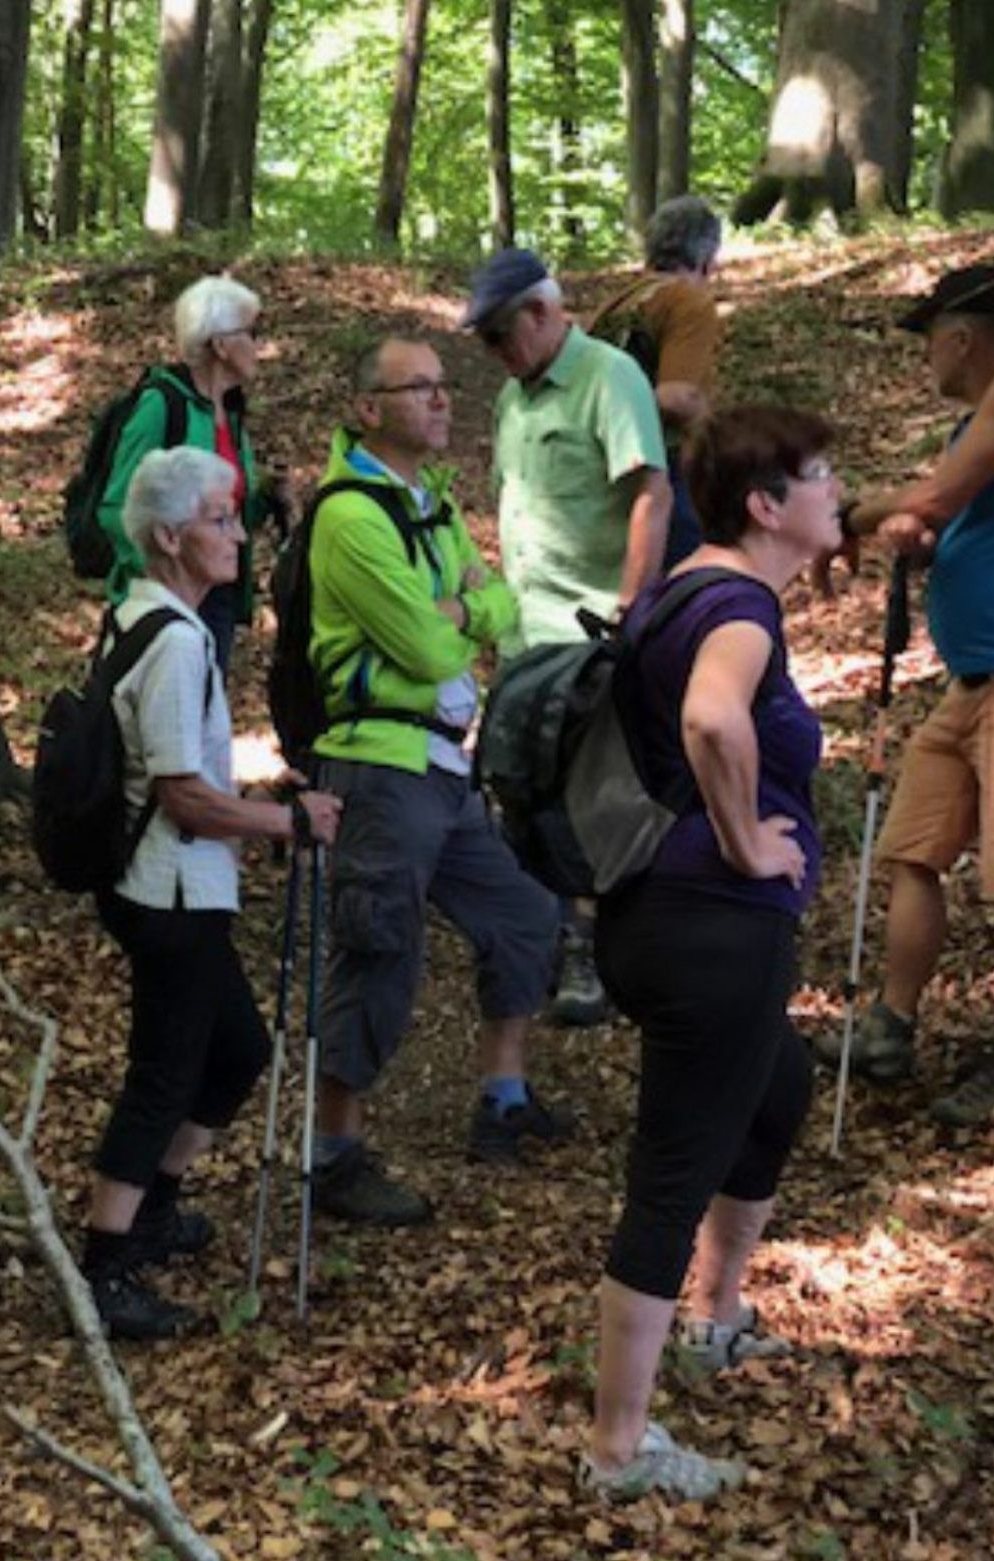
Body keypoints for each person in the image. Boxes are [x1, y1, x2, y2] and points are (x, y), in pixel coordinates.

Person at [582, 406, 839, 1500]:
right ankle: (616, 1447)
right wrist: (744, 842)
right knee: (668, 1176)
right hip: (709, 927)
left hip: (655, 914)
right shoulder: (737, 607)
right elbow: (709, 722)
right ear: (765, 506)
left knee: (776, 1085)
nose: (838, 491)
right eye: (819, 476)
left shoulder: (681, 585)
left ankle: (716, 1314)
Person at [302, 337, 567, 1228]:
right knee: (379, 947)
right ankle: (333, 1154)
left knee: (525, 916)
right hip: (379, 762)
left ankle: (503, 1098)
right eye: (417, 388)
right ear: (366, 408)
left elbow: (499, 604)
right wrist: (460, 615)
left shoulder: (433, 505)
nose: (441, 400)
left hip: (443, 760)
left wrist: (459, 611)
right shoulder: (348, 517)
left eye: (443, 386)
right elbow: (423, 646)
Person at [77, 447, 340, 1338]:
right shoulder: (178, 641)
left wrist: (265, 809)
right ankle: (105, 1266)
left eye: (233, 518)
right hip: (166, 890)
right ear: (167, 536)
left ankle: (151, 1204)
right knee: (163, 1070)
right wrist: (285, 823)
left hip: (170, 883)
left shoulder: (136, 619)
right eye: (218, 521)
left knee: (235, 1049)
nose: (235, 535)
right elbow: (179, 790)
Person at [466, 247, 673, 1028]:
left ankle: (591, 953)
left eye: (497, 334)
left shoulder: (607, 377)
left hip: (590, 626)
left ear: (544, 312)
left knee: (591, 795)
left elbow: (649, 489)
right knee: (525, 787)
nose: (491, 353)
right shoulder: (512, 398)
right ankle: (542, 941)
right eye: (483, 340)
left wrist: (630, 604)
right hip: (525, 627)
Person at [817, 265, 994, 1127]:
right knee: (913, 846)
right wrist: (917, 539)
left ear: (962, 335)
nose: (926, 353)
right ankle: (890, 1025)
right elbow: (943, 514)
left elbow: (932, 496)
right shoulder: (975, 423)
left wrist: (849, 514)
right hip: (968, 684)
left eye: (930, 335)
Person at [94, 275, 290, 672]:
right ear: (220, 344)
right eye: (251, 333)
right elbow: (117, 505)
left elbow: (223, 513)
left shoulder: (230, 415)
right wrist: (160, 580)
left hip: (215, 593)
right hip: (168, 598)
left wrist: (265, 499)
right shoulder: (161, 406)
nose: (259, 346)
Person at [587, 195, 727, 568]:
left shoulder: (615, 305)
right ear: (707, 256)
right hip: (663, 473)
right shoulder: (688, 302)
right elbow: (677, 397)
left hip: (602, 472)